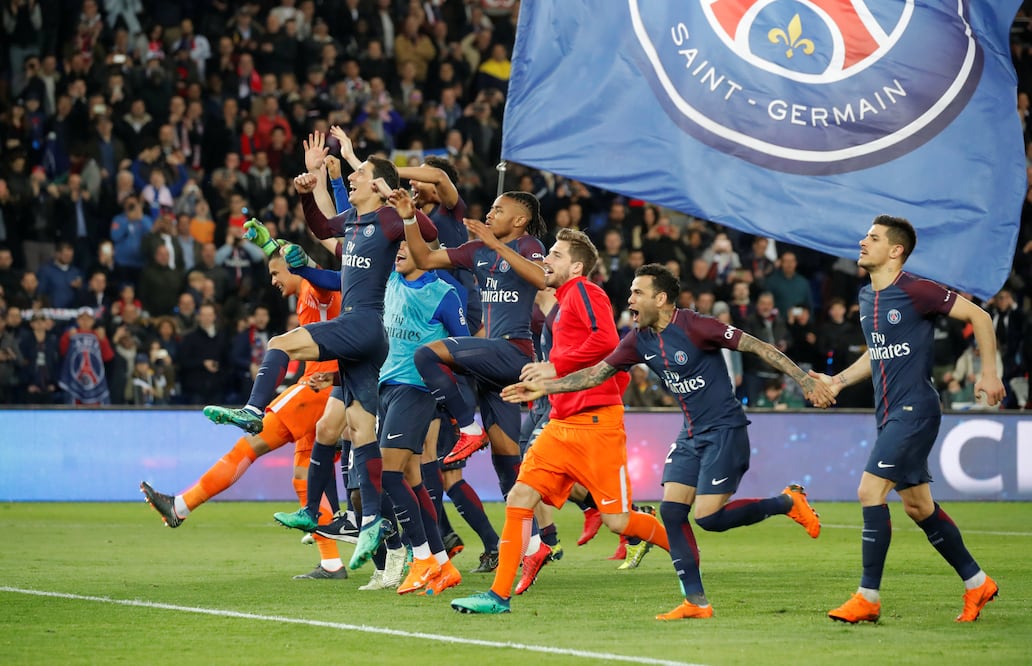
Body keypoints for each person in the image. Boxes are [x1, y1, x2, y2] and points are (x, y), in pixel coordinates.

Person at [500, 263, 832, 620]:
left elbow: (758, 347)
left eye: (637, 293)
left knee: (709, 518)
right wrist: (543, 386)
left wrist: (804, 379)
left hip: (725, 430)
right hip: (690, 433)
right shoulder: (638, 340)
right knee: (672, 511)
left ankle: (786, 502)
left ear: (661, 299)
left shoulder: (697, 326)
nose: (629, 299)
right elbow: (597, 373)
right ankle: (696, 603)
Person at [203, 131, 438, 575]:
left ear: (377, 185)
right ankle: (369, 521)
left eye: (359, 175)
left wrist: (397, 200)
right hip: (370, 334)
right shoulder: (353, 222)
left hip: (363, 323)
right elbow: (320, 228)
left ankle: (254, 410)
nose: (351, 180)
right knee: (357, 427)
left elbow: (425, 233)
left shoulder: (388, 219)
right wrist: (309, 192)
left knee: (278, 344)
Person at [449, 229, 670, 615]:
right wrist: (540, 384)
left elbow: (605, 343)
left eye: (555, 254)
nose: (546, 259)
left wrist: (553, 367)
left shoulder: (586, 291)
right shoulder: (563, 303)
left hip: (597, 424)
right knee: (519, 497)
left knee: (618, 522)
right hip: (561, 422)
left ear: (577, 266)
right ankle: (498, 597)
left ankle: (685, 550)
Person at [809, 215, 1003, 624]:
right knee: (918, 507)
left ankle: (868, 596)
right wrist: (839, 381)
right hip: (890, 412)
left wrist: (989, 374)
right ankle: (977, 582)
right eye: (865, 235)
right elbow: (876, 352)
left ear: (895, 250)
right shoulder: (867, 297)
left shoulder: (917, 290)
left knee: (869, 491)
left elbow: (981, 318)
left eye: (873, 238)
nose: (863, 242)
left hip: (915, 409)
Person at [141, 246, 350, 579]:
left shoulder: (315, 288)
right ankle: (331, 563)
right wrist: (270, 245)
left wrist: (290, 254)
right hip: (326, 390)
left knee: (246, 448)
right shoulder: (305, 294)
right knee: (303, 479)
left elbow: (317, 276)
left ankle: (181, 506)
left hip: (317, 390)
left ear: (293, 269)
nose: (273, 281)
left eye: (276, 273)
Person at [403, 189, 548, 574]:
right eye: (491, 208)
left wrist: (493, 245)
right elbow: (424, 258)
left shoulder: (527, 244)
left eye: (499, 210)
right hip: (491, 364)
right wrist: (407, 217)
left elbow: (541, 279)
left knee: (427, 354)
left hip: (513, 352)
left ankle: (468, 428)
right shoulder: (476, 251)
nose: (490, 214)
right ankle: (534, 545)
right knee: (507, 466)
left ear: (519, 220)